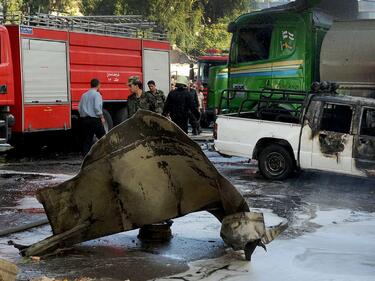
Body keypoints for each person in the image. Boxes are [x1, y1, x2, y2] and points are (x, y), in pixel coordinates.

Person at [78, 78, 106, 156]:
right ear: (98, 85)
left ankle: (85, 158)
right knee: (103, 137)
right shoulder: (97, 94)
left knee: (87, 139)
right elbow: (97, 107)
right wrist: (102, 116)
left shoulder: (84, 95)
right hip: (95, 120)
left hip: (85, 120)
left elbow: (79, 108)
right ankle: (105, 154)